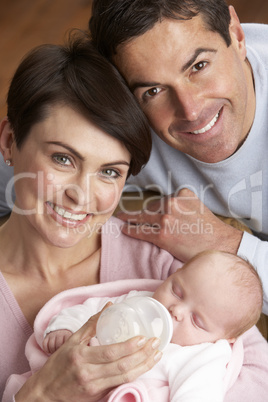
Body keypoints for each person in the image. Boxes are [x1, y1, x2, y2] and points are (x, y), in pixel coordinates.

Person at [88, 2, 268, 400]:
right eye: (153, 90)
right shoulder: (119, 120)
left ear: (235, 35)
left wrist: (225, 245)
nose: (190, 110)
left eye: (198, 66)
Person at [0, 30, 188, 401]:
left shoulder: (162, 264)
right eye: (63, 158)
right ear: (8, 141)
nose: (82, 194)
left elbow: (256, 371)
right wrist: (40, 396)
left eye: (109, 171)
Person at [3, 250, 263, 402]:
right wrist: (65, 328)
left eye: (197, 321)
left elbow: (197, 395)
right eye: (177, 290)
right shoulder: (140, 300)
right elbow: (92, 308)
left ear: (226, 338)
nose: (176, 311)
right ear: (172, 275)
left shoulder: (204, 355)